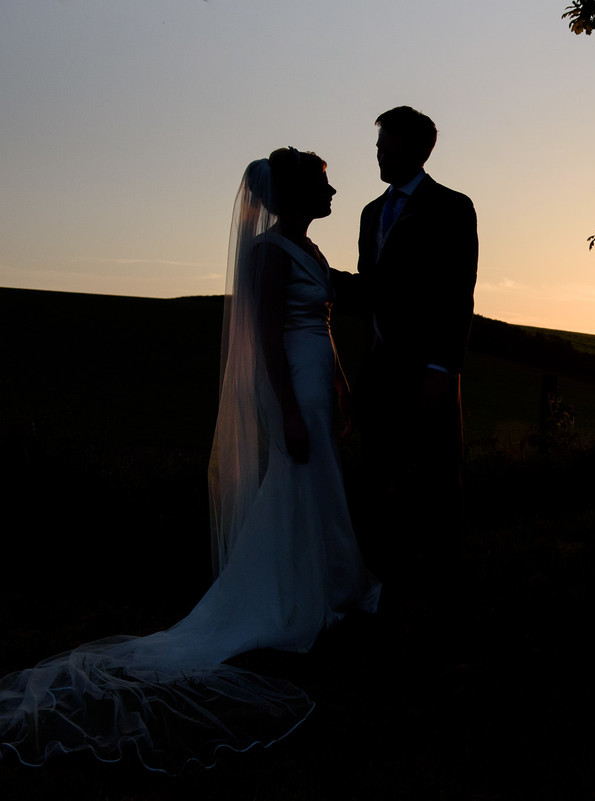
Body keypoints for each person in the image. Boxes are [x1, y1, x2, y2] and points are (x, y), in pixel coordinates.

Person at [0, 149, 378, 773]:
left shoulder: (311, 252)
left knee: (317, 489)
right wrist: (286, 407)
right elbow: (264, 337)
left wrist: (336, 382)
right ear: (295, 194)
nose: (333, 192)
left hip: (316, 382)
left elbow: (323, 324)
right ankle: (293, 598)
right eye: (324, 183)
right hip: (293, 388)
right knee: (297, 485)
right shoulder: (269, 254)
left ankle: (324, 586)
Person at [335, 106, 478, 590]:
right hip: (379, 366)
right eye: (379, 148)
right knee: (380, 473)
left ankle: (446, 581)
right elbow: (370, 289)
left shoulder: (453, 207)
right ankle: (383, 580)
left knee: (439, 477)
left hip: (429, 367)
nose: (382, 158)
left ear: (421, 151)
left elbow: (458, 294)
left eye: (391, 150)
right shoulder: (371, 212)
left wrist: (443, 368)